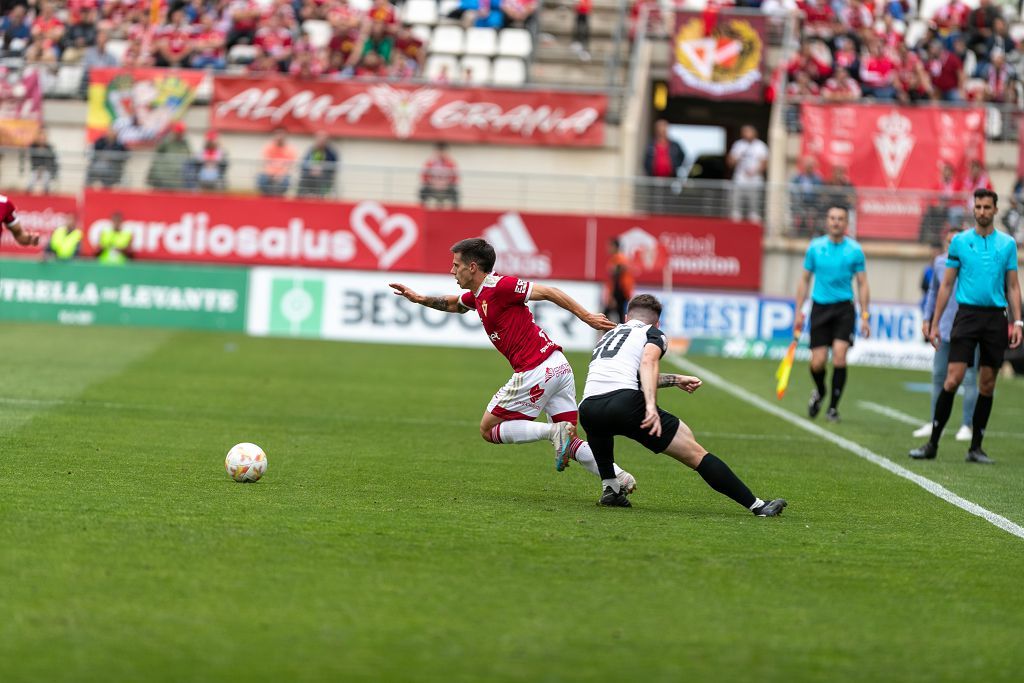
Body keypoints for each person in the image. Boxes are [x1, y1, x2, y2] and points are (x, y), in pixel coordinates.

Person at [388, 238, 637, 493]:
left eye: (456, 265)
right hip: (558, 367)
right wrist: (419, 299)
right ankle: (617, 480)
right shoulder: (478, 295)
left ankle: (552, 432)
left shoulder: (500, 286)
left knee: (488, 428)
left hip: (536, 369)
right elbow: (453, 304)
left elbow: (549, 292)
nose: (452, 271)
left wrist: (587, 317)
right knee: (570, 441)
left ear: (472, 267)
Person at [578, 294, 787, 515]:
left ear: (627, 316)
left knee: (602, 425)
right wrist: (650, 405)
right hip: (625, 404)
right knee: (695, 452)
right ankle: (758, 506)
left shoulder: (608, 335)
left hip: (589, 408)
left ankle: (610, 489)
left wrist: (676, 380)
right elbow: (648, 363)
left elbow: (634, 375)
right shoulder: (652, 333)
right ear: (657, 322)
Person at [910, 189, 1022, 464]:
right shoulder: (959, 242)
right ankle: (933, 443)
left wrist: (1017, 321)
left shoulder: (1007, 245)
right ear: (974, 209)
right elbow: (946, 285)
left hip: (996, 318)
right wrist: (935, 323)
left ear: (996, 210)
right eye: (978, 206)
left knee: (987, 383)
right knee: (952, 378)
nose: (982, 211)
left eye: (987, 207)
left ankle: (975, 447)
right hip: (967, 317)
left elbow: (1012, 285)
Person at [793, 204, 871, 423]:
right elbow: (804, 280)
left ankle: (833, 408)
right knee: (817, 363)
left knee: (839, 356)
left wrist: (865, 316)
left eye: (840, 219)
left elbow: (863, 284)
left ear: (846, 223)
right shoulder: (815, 248)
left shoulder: (854, 250)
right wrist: (798, 311)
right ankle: (820, 391)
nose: (836, 222)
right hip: (820, 308)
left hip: (844, 309)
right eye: (832, 218)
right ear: (827, 221)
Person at [912, 226, 978, 442]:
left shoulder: (973, 261)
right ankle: (934, 422)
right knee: (938, 376)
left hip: (968, 329)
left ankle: (967, 425)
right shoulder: (940, 262)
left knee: (969, 378)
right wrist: (928, 320)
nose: (952, 245)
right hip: (944, 328)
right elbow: (933, 292)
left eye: (956, 241)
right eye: (949, 241)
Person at [726, 125, 769, 223]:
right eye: (745, 132)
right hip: (740, 179)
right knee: (736, 203)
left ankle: (754, 219)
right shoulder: (738, 145)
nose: (747, 134)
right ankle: (736, 219)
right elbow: (730, 162)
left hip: (755, 180)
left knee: (754, 204)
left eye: (749, 132)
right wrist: (735, 158)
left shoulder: (760, 146)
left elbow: (764, 162)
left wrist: (755, 171)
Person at [642, 118, 685, 214]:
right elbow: (645, 162)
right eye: (660, 127)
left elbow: (682, 156)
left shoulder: (674, 145)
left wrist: (676, 167)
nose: (662, 130)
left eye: (664, 127)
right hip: (654, 180)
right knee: (654, 202)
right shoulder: (651, 145)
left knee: (669, 202)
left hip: (670, 180)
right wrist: (649, 173)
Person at [146, 122, 192, 190]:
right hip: (164, 178)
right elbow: (157, 157)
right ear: (175, 132)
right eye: (179, 133)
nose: (181, 135)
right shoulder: (167, 142)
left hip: (178, 179)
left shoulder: (185, 144)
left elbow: (189, 157)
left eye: (182, 133)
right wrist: (152, 176)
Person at [297, 132, 339, 198]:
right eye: (319, 140)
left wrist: (322, 169)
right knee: (304, 177)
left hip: (324, 175)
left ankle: (319, 197)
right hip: (310, 174)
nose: (321, 142)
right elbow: (304, 163)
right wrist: (311, 168)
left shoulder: (331, 153)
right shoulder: (311, 150)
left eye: (323, 140)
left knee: (322, 179)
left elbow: (333, 166)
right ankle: (300, 197)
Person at [258, 129, 297, 197]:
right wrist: (271, 174)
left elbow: (289, 166)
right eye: (278, 136)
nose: (279, 138)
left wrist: (280, 175)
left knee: (286, 182)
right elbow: (266, 163)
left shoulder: (290, 150)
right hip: (269, 173)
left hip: (283, 175)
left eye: (282, 136)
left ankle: (279, 198)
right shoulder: (269, 147)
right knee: (262, 179)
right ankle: (267, 197)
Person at [419, 142, 459, 208]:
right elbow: (423, 176)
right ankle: (422, 211)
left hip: (446, 188)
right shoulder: (430, 163)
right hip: (432, 187)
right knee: (423, 190)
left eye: (442, 150)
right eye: (439, 150)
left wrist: (447, 184)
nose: (440, 153)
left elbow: (456, 178)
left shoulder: (451, 164)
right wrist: (431, 183)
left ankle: (455, 213)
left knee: (455, 192)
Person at [604, 237, 633, 324]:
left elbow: (617, 278)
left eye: (610, 246)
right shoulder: (620, 258)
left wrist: (613, 296)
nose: (608, 249)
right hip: (622, 292)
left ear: (615, 247)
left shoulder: (618, 259)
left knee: (607, 315)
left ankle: (612, 335)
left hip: (620, 292)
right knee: (619, 316)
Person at [26, 127, 58, 194]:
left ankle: (46, 192)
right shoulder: (33, 146)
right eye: (40, 137)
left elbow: (51, 160)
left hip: (46, 169)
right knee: (32, 178)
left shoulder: (49, 147)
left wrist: (44, 168)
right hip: (35, 168)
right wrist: (38, 168)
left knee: (46, 177)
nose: (42, 139)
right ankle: (29, 192)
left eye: (43, 137)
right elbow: (32, 159)